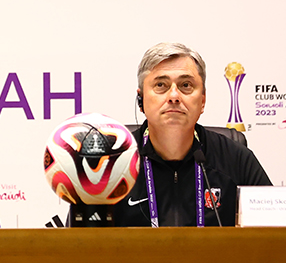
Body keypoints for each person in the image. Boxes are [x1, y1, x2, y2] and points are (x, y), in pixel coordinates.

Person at [108, 42, 271, 227]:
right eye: (161, 85)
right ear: (141, 100)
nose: (174, 96)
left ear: (202, 100)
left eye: (186, 85)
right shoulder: (112, 163)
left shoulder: (236, 160)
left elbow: (275, 237)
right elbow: (82, 245)